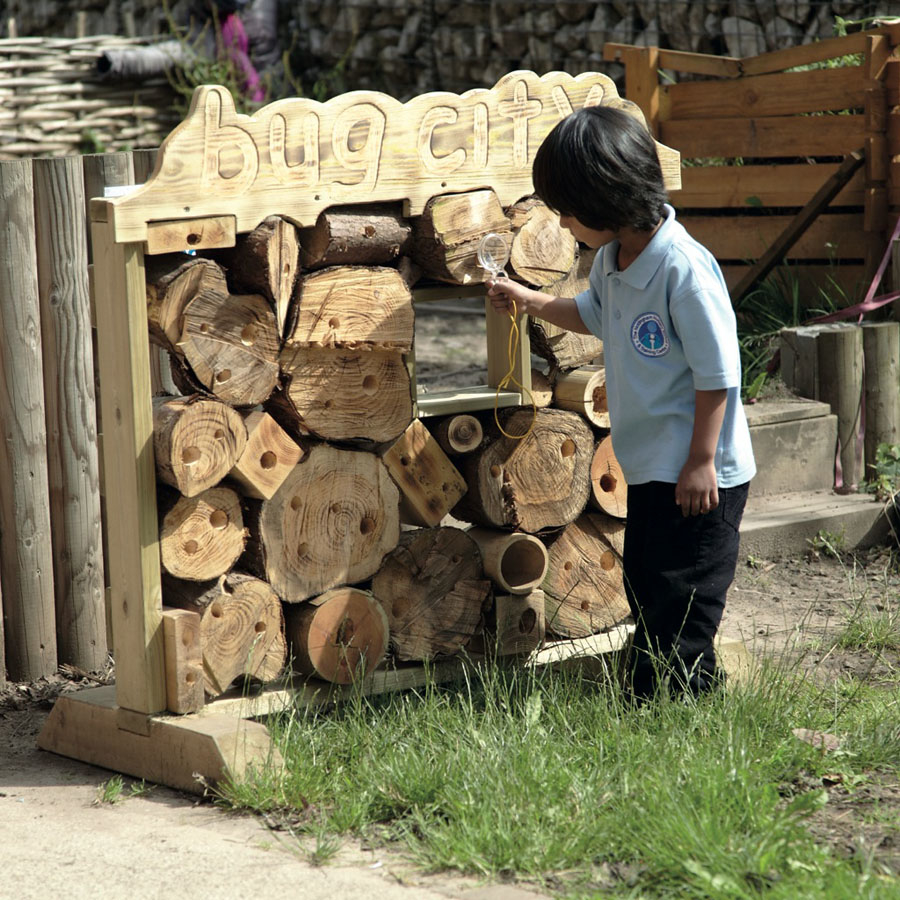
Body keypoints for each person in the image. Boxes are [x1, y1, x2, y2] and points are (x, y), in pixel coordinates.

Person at [487, 105, 756, 702]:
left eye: (566, 210)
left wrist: (702, 461)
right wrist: (528, 299)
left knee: (686, 600)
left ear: (603, 199)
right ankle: (679, 697)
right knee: (650, 587)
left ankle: (669, 707)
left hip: (700, 473)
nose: (562, 222)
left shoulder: (682, 269)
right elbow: (589, 315)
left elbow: (719, 376)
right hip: (653, 469)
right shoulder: (611, 261)